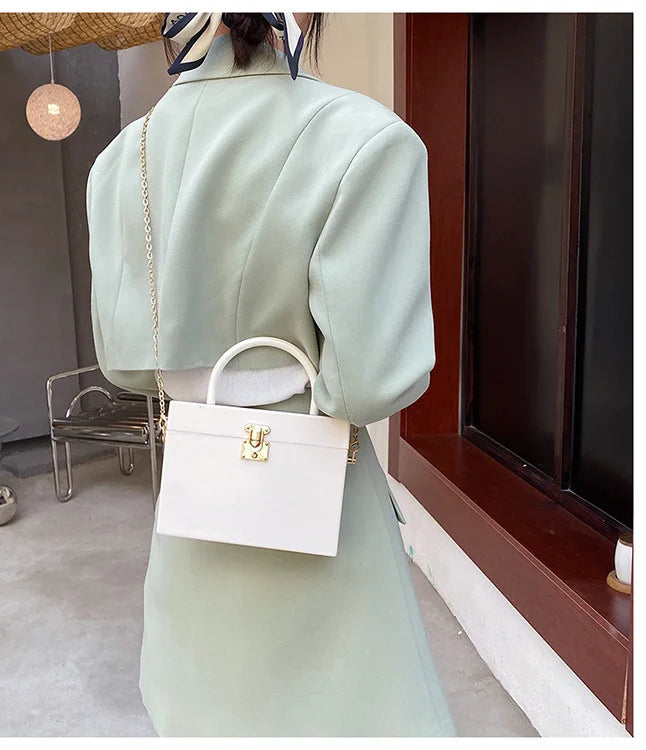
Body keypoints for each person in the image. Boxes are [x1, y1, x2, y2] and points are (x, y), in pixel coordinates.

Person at [86, 12, 457, 737]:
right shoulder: (366, 138)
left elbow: (127, 364)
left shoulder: (123, 156)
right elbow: (370, 382)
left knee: (205, 703)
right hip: (308, 465)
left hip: (198, 473)